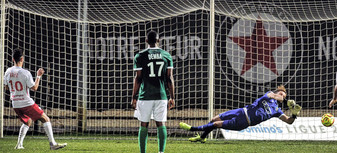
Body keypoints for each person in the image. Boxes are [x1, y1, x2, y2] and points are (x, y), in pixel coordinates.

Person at [179, 85, 302, 143]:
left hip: (244, 122)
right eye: (281, 93)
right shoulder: (269, 95)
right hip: (241, 111)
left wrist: (294, 114)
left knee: (216, 124)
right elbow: (275, 96)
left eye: (284, 95)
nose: (282, 96)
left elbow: (289, 121)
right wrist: (284, 99)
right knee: (213, 119)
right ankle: (202, 137)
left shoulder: (277, 111)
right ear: (277, 92)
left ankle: (192, 129)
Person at [3, 48, 67, 150]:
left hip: (15, 103)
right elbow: (34, 88)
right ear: (22, 59)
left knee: (27, 121)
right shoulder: (25, 72)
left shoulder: (8, 71)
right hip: (26, 102)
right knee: (45, 119)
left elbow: (6, 87)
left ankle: (19, 145)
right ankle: (53, 144)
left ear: (12, 59)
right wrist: (38, 76)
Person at [131, 31, 175, 153]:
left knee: (143, 124)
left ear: (146, 41)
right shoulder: (166, 55)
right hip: (161, 96)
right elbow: (169, 78)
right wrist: (172, 97)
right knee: (161, 124)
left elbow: (138, 78)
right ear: (158, 41)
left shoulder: (140, 56)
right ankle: (161, 152)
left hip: (145, 96)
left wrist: (134, 97)